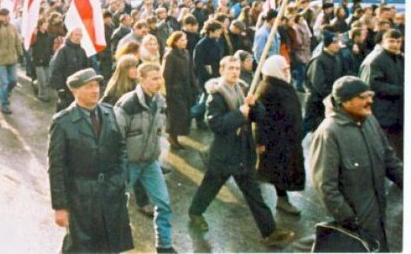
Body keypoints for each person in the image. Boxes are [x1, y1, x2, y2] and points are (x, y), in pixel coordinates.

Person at [187, 56, 294, 249]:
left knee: (254, 195)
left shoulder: (243, 89)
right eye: (230, 68)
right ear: (221, 70)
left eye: (237, 68)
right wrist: (239, 114)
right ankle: (195, 212)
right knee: (209, 188)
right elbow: (216, 125)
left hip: (243, 152)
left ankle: (270, 232)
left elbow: (259, 116)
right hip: (224, 154)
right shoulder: (215, 96)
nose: (235, 72)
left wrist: (254, 105)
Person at [310, 76, 403, 252]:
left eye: (370, 95)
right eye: (363, 97)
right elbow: (325, 186)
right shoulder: (329, 133)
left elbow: (389, 159)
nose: (370, 101)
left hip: (378, 213)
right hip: (355, 223)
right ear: (344, 102)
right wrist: (348, 218)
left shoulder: (370, 120)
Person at [47, 68, 133, 253]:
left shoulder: (109, 112)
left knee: (110, 243)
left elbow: (121, 148)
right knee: (80, 246)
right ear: (75, 91)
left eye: (96, 86)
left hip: (110, 193)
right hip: (80, 196)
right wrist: (60, 206)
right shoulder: (63, 122)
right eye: (88, 87)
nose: (95, 90)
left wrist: (121, 179)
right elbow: (56, 167)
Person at [115, 63, 177, 253]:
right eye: (154, 78)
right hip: (129, 163)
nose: (158, 82)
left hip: (150, 162)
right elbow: (115, 137)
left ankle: (164, 246)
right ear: (141, 79)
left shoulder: (159, 101)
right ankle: (112, 245)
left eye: (159, 78)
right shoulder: (127, 104)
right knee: (116, 204)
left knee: (163, 203)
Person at [254, 55, 305, 216]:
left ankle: (280, 199)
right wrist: (260, 141)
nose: (287, 71)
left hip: (287, 137)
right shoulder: (267, 89)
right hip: (276, 139)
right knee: (279, 170)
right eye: (284, 69)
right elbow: (259, 119)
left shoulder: (281, 84)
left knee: (281, 169)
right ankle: (282, 200)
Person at [359, 29, 404, 157]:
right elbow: (371, 86)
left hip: (397, 114)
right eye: (391, 41)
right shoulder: (375, 60)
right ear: (383, 42)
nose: (395, 45)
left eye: (398, 42)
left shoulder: (399, 58)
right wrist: (400, 90)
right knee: (383, 152)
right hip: (382, 115)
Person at [303, 31, 343, 135]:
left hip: (327, 100)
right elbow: (318, 84)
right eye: (334, 43)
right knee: (307, 127)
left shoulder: (336, 58)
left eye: (337, 42)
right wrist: (331, 95)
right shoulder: (318, 61)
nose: (337, 45)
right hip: (316, 102)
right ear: (327, 44)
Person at [0, 8, 23, 115]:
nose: (5, 17)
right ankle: (5, 104)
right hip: (0, 59)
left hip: (12, 58)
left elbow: (17, 40)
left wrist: (20, 53)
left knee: (13, 81)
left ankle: (4, 92)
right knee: (4, 83)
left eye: (7, 15)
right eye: (3, 15)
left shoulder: (12, 27)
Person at [50, 28, 91, 112]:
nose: (78, 37)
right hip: (66, 88)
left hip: (79, 87)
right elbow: (57, 69)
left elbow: (86, 68)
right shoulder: (63, 50)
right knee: (64, 111)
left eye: (80, 35)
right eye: (76, 34)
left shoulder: (82, 51)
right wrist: (59, 87)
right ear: (71, 35)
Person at [30, 18, 55, 102]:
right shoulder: (36, 35)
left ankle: (35, 84)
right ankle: (42, 95)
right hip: (38, 60)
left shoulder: (48, 35)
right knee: (42, 80)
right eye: (45, 24)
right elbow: (31, 44)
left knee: (47, 79)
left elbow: (50, 46)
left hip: (46, 60)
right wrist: (33, 35)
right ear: (40, 25)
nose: (47, 25)